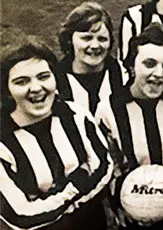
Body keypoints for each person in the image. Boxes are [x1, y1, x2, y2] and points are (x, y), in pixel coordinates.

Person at [95, 22, 163, 230]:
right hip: (133, 215)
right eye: (149, 63)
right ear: (132, 65)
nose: (159, 74)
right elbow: (108, 167)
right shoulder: (109, 110)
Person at [0, 39, 113, 230]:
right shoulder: (3, 142)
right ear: (7, 90)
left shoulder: (77, 115)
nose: (36, 88)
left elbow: (104, 167)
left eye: (43, 76)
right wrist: (75, 187)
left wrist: (43, 201)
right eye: (21, 81)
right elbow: (19, 216)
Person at [57, 2, 129, 114]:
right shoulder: (56, 80)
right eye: (87, 38)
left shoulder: (124, 75)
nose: (95, 46)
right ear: (69, 39)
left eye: (102, 39)